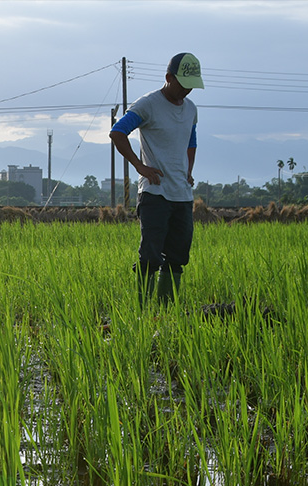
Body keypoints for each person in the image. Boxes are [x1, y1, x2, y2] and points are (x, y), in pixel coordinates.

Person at [110, 52, 204, 307]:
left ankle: (165, 311)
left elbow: (191, 141)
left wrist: (188, 169)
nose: (187, 91)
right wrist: (140, 167)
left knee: (178, 257)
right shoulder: (148, 105)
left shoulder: (191, 110)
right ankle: (141, 310)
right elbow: (118, 132)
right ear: (168, 78)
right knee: (151, 256)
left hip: (182, 195)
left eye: (191, 86)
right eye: (183, 84)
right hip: (155, 193)